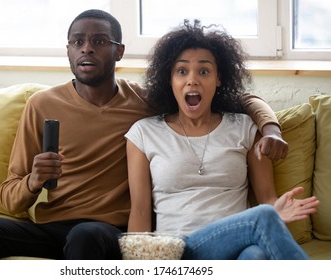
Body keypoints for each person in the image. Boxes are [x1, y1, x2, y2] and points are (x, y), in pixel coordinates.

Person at [0, 10, 288, 260]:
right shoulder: (41, 105)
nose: (87, 49)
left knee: (85, 235)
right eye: (77, 42)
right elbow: (10, 198)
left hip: (105, 232)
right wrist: (33, 180)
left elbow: (239, 98)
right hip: (52, 227)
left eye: (99, 41)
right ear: (67, 50)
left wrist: (270, 127)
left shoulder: (143, 103)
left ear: (119, 51)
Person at [125, 20, 319, 259]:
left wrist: (276, 208)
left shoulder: (245, 128)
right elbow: (141, 210)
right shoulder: (144, 133)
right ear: (170, 79)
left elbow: (266, 198)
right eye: (182, 71)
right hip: (180, 250)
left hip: (235, 246)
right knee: (263, 218)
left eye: (204, 71)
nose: (192, 80)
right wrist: (135, 268)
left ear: (218, 79)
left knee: (256, 256)